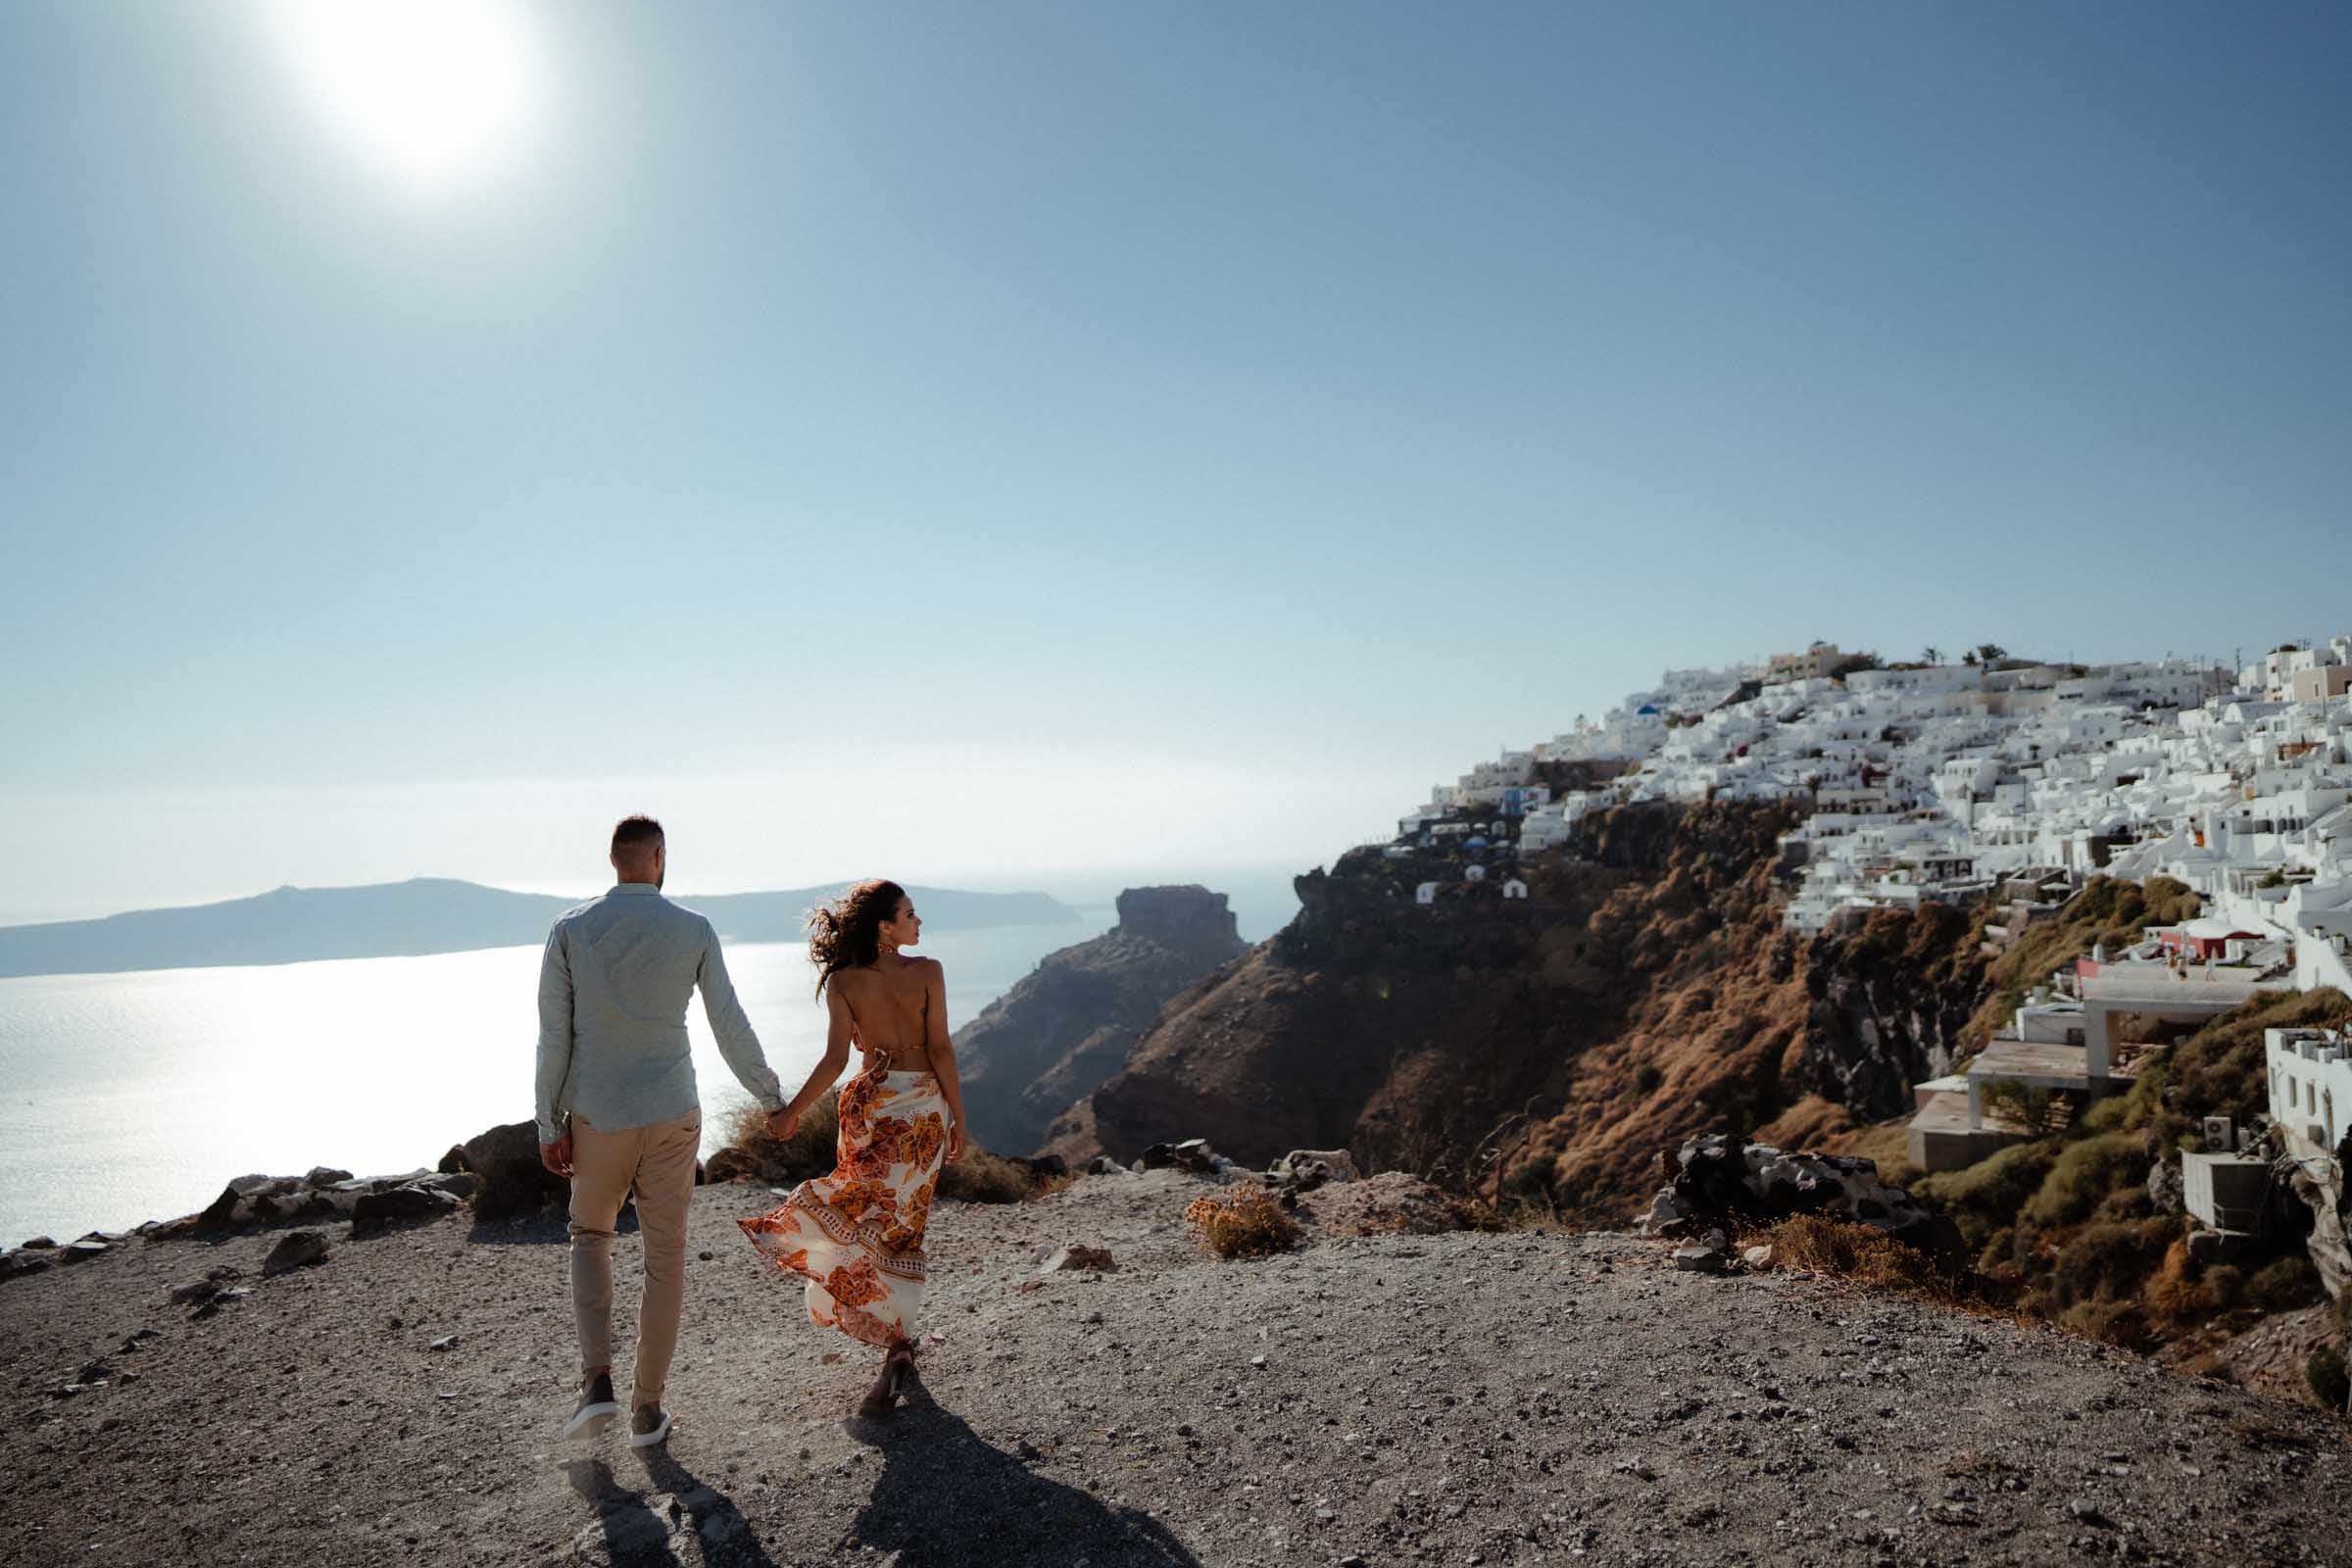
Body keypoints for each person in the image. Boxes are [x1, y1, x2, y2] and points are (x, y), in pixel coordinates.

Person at [536, 815, 788, 1446]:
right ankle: (648, 1410)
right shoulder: (694, 929)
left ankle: (598, 1384)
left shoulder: (570, 929)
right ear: (659, 857)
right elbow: (729, 1022)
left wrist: (548, 1122)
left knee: (590, 1235)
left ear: (614, 858)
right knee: (664, 1256)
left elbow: (554, 1036)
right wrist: (771, 1096)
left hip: (598, 1116)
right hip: (674, 1111)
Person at [739, 879, 968, 1417]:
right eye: (910, 915)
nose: (918, 923)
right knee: (904, 1224)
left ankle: (896, 1343)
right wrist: (959, 1117)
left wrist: (793, 1112)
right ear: (886, 926)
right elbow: (941, 1048)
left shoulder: (843, 981)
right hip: (922, 1115)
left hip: (870, 1108)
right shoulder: (928, 972)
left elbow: (834, 1062)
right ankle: (898, 1344)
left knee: (863, 1209)